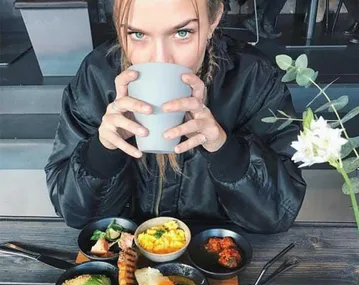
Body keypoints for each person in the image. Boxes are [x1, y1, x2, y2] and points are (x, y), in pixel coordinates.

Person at [45, 0, 306, 231]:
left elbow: (278, 215)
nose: (161, 59)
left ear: (212, 22)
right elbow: (73, 214)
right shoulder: (97, 74)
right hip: (127, 260)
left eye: (183, 32)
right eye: (137, 34)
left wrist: (224, 149)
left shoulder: (253, 77)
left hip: (213, 260)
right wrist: (102, 152)